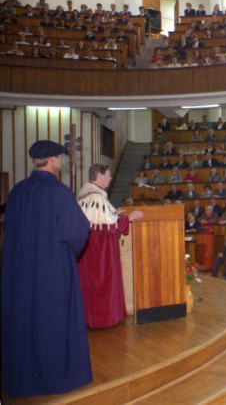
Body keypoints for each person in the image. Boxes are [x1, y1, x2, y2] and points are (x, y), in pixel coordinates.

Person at [2, 140, 92, 398]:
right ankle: (53, 376)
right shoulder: (60, 193)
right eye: (59, 158)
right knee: (51, 320)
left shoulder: (17, 192)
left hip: (20, 271)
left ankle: (21, 376)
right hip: (51, 270)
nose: (61, 162)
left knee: (24, 317)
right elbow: (78, 231)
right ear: (52, 160)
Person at [76, 163, 143, 329]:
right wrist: (130, 217)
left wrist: (114, 213)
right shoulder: (96, 197)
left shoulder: (85, 195)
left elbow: (101, 218)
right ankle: (102, 318)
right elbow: (110, 227)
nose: (111, 178)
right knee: (99, 283)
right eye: (108, 175)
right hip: (99, 253)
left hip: (87, 250)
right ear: (99, 176)